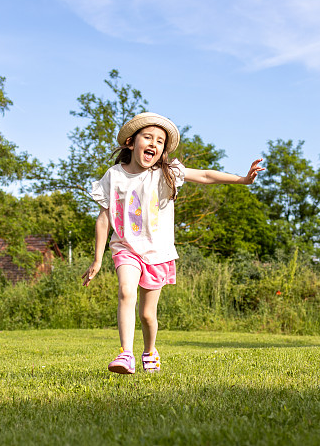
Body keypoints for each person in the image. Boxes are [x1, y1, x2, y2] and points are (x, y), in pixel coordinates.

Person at [81, 112, 264, 374]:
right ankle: (126, 354)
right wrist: (98, 259)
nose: (154, 143)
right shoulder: (114, 175)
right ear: (131, 143)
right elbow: (103, 218)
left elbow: (205, 175)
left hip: (158, 252)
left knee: (147, 315)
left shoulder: (167, 173)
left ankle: (149, 351)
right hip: (125, 248)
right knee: (126, 291)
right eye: (148, 137)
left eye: (160, 141)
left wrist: (243, 180)